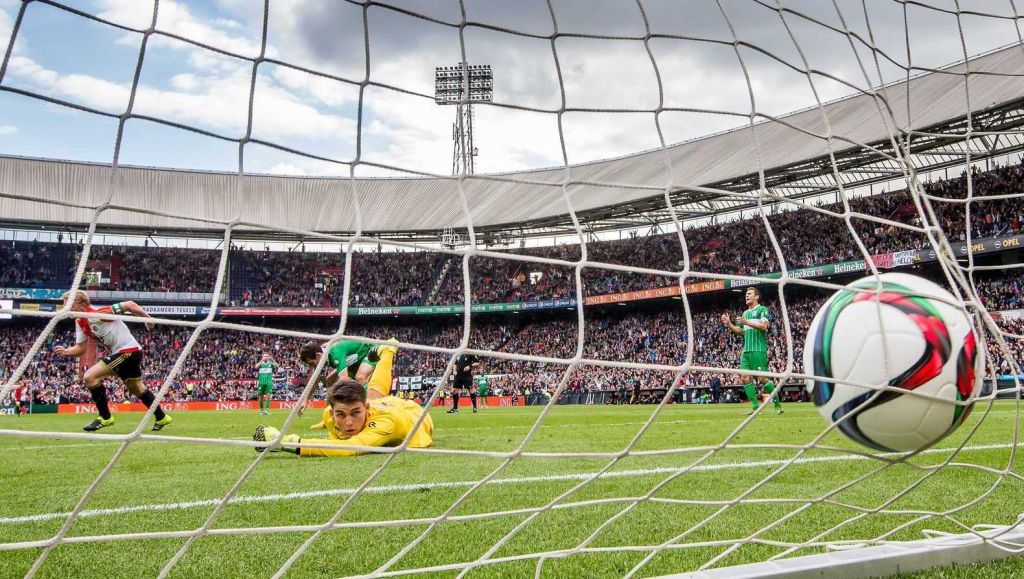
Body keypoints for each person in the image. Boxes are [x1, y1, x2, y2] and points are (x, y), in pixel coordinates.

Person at [53, 290, 173, 431]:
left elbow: (129, 305)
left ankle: (105, 418)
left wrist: (148, 319)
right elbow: (81, 349)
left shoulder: (99, 314)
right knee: (136, 388)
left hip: (129, 352)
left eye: (68, 303)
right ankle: (162, 417)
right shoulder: (80, 323)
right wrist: (66, 351)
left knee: (90, 377)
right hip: (125, 353)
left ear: (82, 304)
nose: (65, 307)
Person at [253, 379, 433, 457]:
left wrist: (284, 441)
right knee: (375, 395)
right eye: (340, 415)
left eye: (356, 413)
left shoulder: (387, 422)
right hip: (383, 404)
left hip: (414, 415)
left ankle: (386, 351)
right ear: (332, 414)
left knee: (375, 393)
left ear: (366, 409)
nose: (348, 422)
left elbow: (350, 449)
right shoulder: (328, 414)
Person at [721, 287, 783, 415]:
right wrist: (729, 324)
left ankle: (777, 404)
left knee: (762, 379)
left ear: (757, 297)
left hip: (758, 349)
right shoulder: (745, 313)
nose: (746, 296)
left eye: (749, 294)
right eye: (746, 294)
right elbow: (741, 331)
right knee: (744, 378)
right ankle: (755, 408)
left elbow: (764, 326)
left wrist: (747, 322)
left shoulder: (762, 310)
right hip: (746, 351)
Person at [298, 338, 398, 399]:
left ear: (318, 355)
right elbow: (314, 381)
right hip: (354, 362)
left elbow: (344, 379)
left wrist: (339, 398)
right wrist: (305, 400)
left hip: (368, 352)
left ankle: (372, 404)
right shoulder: (324, 355)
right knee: (329, 381)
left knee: (360, 377)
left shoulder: (334, 353)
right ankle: (330, 415)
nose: (312, 365)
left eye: (312, 362)